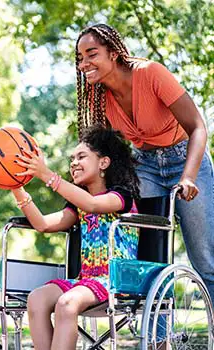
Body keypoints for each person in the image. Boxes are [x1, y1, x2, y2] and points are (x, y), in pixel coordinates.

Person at [74, 23, 214, 300]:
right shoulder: (97, 95)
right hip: (145, 167)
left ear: (113, 53)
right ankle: (158, 340)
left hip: (185, 158)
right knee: (150, 260)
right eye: (80, 58)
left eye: (92, 54)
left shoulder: (150, 73)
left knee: (205, 259)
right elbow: (105, 150)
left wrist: (188, 176)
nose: (84, 64)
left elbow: (197, 127)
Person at [12, 126, 140, 350]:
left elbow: (93, 204)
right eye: (72, 158)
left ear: (104, 163)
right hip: (85, 281)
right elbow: (42, 224)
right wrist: (16, 188)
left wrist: (47, 176)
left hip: (115, 280)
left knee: (67, 302)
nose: (73, 163)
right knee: (37, 299)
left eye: (81, 156)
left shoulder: (121, 196)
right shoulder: (77, 205)